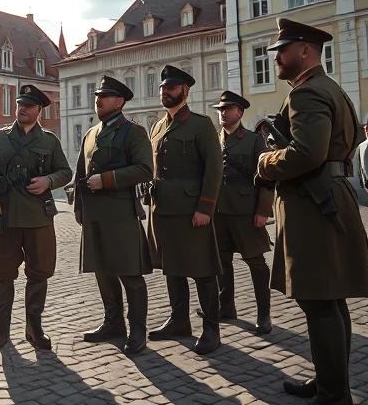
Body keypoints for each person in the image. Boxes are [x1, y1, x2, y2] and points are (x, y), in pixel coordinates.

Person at [257, 18, 368, 405]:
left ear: (305, 50)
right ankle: (329, 382)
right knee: (330, 302)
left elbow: (308, 153)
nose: (276, 57)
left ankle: (333, 399)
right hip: (330, 196)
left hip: (313, 204)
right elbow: (350, 140)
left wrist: (265, 161)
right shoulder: (332, 89)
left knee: (320, 303)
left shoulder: (307, 94)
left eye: (283, 50)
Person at [0, 85, 72, 351]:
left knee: (38, 272)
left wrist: (48, 180)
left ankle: (34, 327)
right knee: (2, 273)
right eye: (20, 104)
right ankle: (2, 329)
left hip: (38, 217)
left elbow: (65, 172)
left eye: (29, 106)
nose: (22, 108)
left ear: (39, 110)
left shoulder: (49, 140)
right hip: (4, 215)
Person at [146, 66, 224, 355]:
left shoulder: (201, 125)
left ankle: (211, 328)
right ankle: (179, 320)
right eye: (163, 87)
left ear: (185, 91)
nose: (166, 91)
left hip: (192, 211)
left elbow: (214, 170)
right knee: (172, 268)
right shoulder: (157, 127)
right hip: (163, 210)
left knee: (202, 270)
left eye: (172, 87)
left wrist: (205, 207)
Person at [74, 77, 154, 355]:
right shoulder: (92, 133)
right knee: (103, 271)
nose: (99, 100)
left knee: (129, 274)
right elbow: (81, 173)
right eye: (98, 96)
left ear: (119, 102)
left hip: (121, 214)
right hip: (95, 214)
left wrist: (107, 180)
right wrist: (79, 208)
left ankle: (138, 331)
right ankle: (113, 323)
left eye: (105, 96)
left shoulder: (133, 132)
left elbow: (145, 169)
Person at [209, 91, 274, 335]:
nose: (223, 113)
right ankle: (226, 308)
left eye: (228, 109)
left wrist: (262, 211)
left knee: (256, 262)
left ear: (240, 112)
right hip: (219, 211)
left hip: (247, 212)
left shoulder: (254, 140)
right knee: (222, 261)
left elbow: (268, 178)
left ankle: (263, 314)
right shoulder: (213, 140)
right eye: (220, 109)